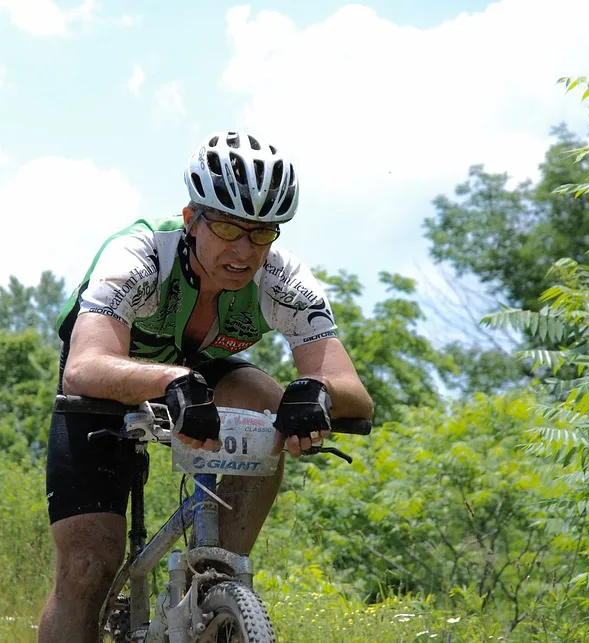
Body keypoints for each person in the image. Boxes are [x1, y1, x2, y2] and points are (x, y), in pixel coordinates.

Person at [37, 130, 375, 642]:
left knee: (269, 398)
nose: (244, 251)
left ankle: (221, 576)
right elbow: (85, 366)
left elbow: (352, 389)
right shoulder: (141, 253)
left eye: (262, 234)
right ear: (192, 217)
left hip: (204, 375)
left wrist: (317, 393)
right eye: (228, 229)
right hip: (112, 378)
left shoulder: (282, 278)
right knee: (87, 565)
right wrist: (171, 378)